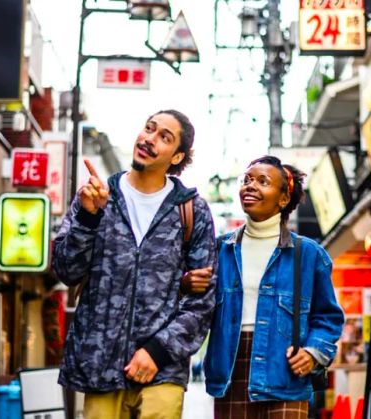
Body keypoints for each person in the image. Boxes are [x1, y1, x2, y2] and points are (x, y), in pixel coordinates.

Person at [52, 110, 217, 419]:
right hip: (101, 366)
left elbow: (203, 300)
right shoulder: (99, 197)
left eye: (164, 137)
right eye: (149, 129)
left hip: (163, 369)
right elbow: (65, 270)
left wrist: (158, 350)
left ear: (177, 156)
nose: (149, 139)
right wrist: (88, 218)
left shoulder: (191, 210)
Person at [186, 156, 344, 418]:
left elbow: (328, 317)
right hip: (230, 372)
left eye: (262, 181)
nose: (250, 186)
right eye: (246, 180)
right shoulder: (219, 250)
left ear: (283, 199)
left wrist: (313, 353)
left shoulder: (308, 254)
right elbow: (196, 309)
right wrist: (186, 284)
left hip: (285, 375)